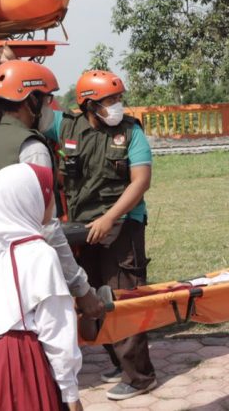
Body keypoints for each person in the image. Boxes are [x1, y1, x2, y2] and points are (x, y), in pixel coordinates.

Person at [45, 69, 157, 401]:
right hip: (81, 226)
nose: (117, 106)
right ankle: (117, 359)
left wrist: (110, 218)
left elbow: (141, 182)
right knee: (93, 293)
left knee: (123, 294)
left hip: (123, 222)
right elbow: (30, 108)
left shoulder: (131, 133)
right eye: (110, 100)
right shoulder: (65, 126)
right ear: (89, 105)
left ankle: (140, 377)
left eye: (119, 98)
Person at [0, 56, 104, 317]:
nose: (51, 107)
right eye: (47, 99)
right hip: (18, 285)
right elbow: (47, 227)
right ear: (30, 101)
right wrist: (82, 289)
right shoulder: (31, 148)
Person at [0, 163, 83, 411]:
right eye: (46, 193)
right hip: (15, 364)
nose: (51, 202)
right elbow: (56, 332)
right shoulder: (39, 255)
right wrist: (70, 394)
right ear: (26, 201)